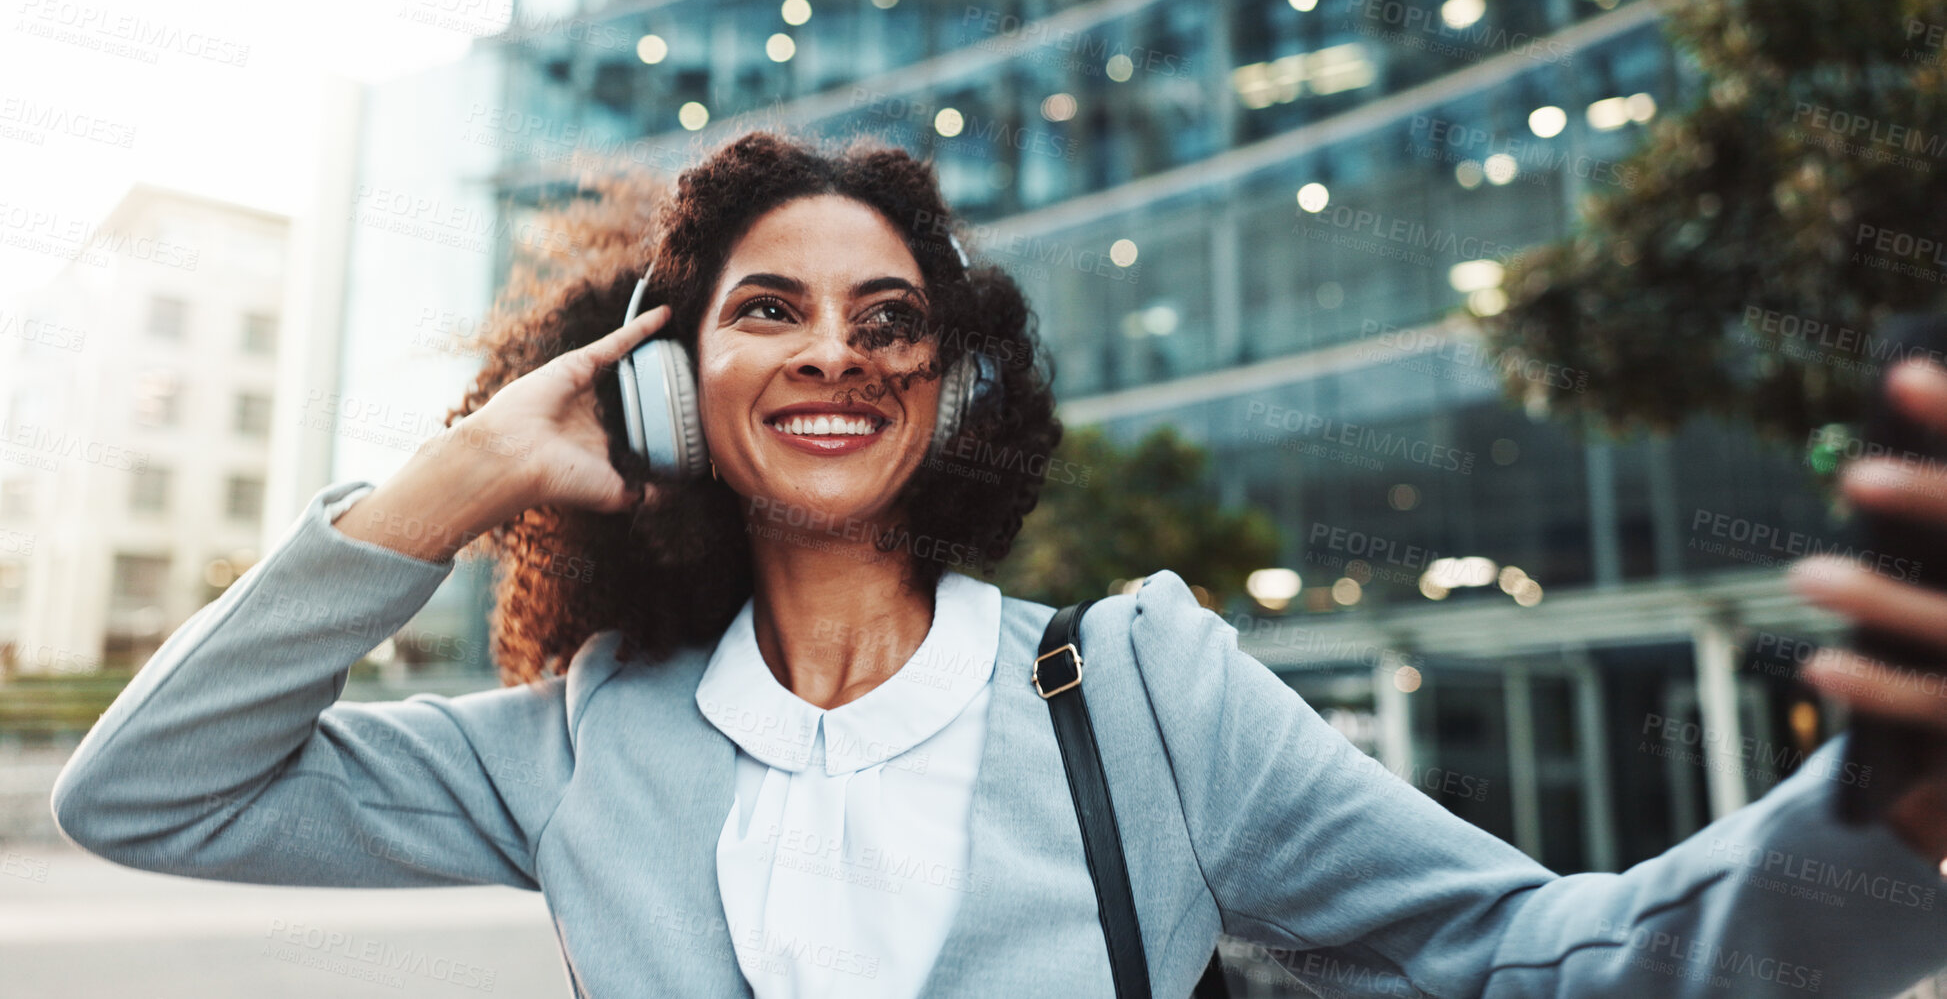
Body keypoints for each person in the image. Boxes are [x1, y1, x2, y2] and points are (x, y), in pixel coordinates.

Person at [49, 132, 1947, 998]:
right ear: (660, 394)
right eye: (766, 311)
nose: (833, 353)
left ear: (948, 391)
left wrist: (1895, 820)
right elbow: (148, 795)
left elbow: (1547, 959)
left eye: (891, 318)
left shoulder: (1141, 685)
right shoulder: (568, 747)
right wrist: (450, 482)